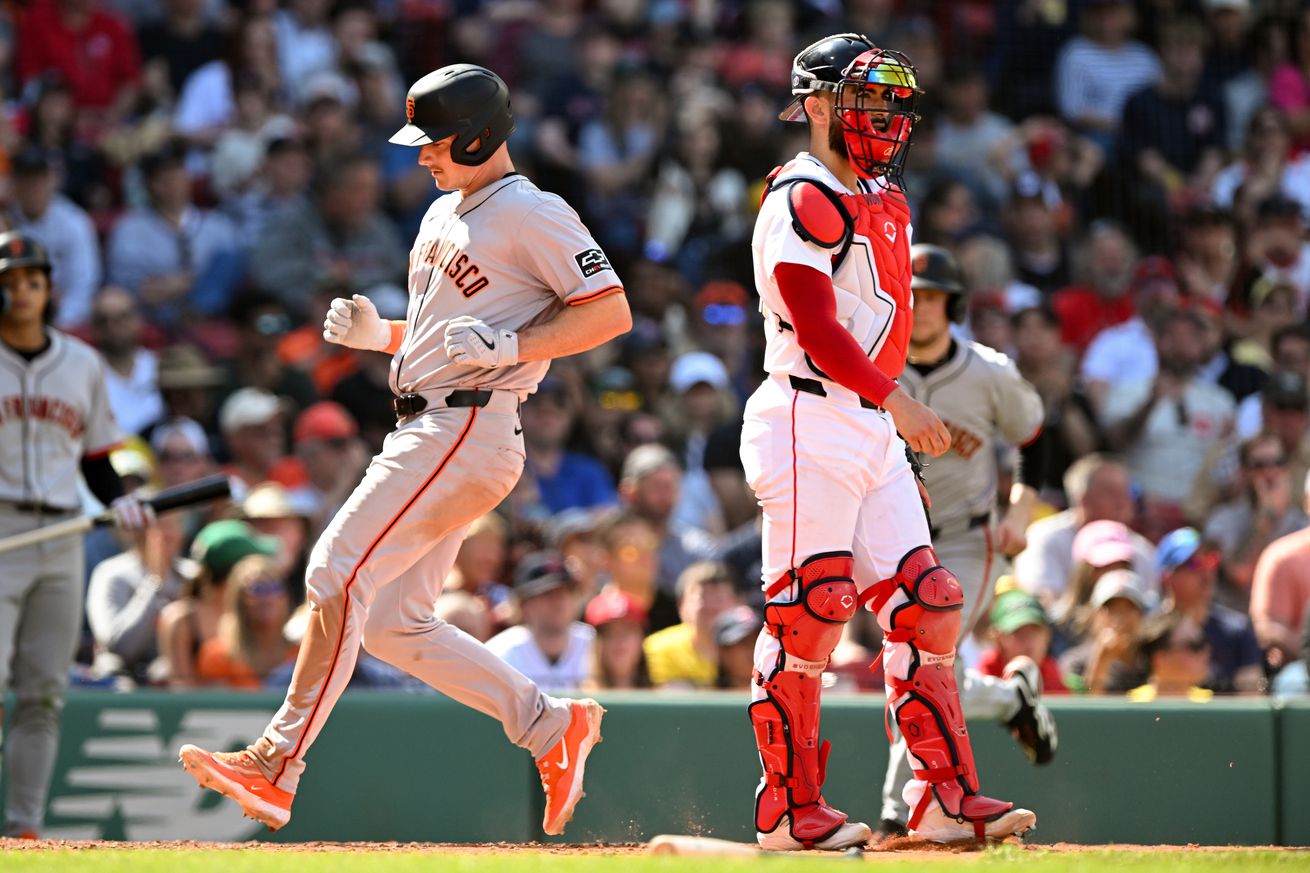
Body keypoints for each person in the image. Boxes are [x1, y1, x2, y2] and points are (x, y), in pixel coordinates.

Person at [178, 64, 631, 838]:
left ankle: (277, 762)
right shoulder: (442, 214)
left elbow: (611, 311)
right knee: (391, 620)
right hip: (431, 419)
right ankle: (550, 726)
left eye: (435, 141)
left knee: (333, 571)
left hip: (468, 423)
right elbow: (439, 339)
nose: (421, 155)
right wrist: (378, 335)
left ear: (482, 134)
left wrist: (513, 343)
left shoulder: (532, 210)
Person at [739, 34, 1034, 851]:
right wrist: (894, 403)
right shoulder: (801, 195)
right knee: (811, 612)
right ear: (819, 105)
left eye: (894, 102)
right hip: (805, 412)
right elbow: (813, 322)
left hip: (865, 424)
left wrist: (885, 428)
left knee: (929, 604)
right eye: (868, 100)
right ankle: (788, 810)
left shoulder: (880, 196)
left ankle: (944, 800)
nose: (887, 117)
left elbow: (881, 331)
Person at [878, 244, 1055, 839]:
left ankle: (896, 811)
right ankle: (1010, 701)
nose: (919, 306)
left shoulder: (988, 371)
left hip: (964, 540)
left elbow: (1036, 439)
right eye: (911, 295)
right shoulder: (873, 361)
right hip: (892, 541)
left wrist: (1022, 511)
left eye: (931, 297)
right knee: (916, 670)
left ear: (951, 304)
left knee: (924, 664)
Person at [0, 231, 152, 838]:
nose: (21, 292)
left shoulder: (82, 363)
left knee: (43, 692)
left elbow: (95, 460)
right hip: (1, 529)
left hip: (61, 532)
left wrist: (124, 499)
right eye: (9, 281)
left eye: (30, 280)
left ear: (48, 288)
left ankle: (23, 829)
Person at [1154, 528, 1264, 693]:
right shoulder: (1148, 631)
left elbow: (1251, 699)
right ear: (1167, 576)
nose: (1206, 571)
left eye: (1210, 560)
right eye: (1194, 564)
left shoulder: (1236, 630)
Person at [485, 552, 594, 694]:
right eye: (547, 594)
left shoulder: (594, 644)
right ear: (524, 605)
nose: (558, 602)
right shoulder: (500, 653)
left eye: (564, 593)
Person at [643, 560, 739, 689]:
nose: (711, 606)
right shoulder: (656, 648)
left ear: (738, 602)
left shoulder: (752, 649)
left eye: (719, 598)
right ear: (681, 605)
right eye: (703, 597)